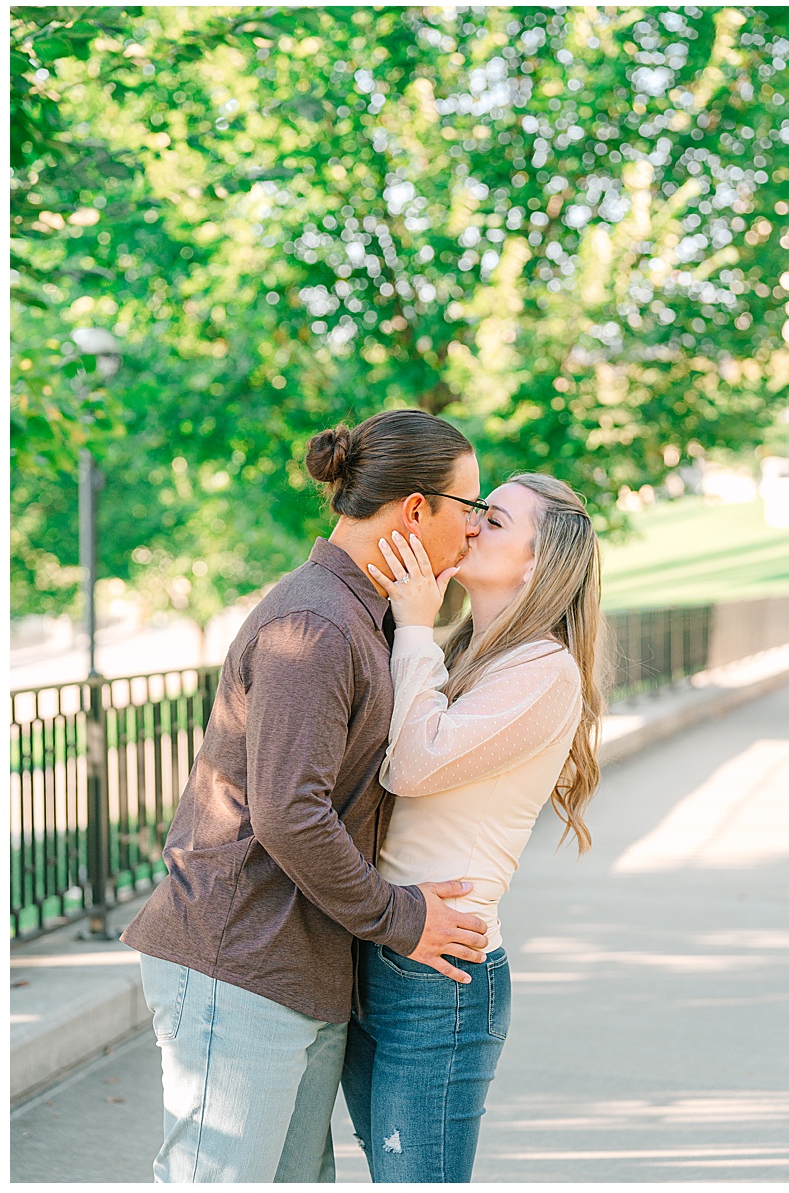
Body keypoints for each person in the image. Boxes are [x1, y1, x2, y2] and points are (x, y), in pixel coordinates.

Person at [123, 409, 498, 1182]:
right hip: (243, 961)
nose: (476, 531)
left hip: (301, 966)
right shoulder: (315, 626)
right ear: (416, 509)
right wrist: (405, 918)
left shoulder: (368, 619)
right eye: (471, 509)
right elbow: (291, 812)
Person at [342, 472, 606, 1182]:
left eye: (492, 518)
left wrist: (417, 624)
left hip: (441, 975)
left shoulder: (543, 670)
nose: (469, 525)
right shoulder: (467, 653)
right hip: (387, 946)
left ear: (538, 560)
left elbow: (413, 765)